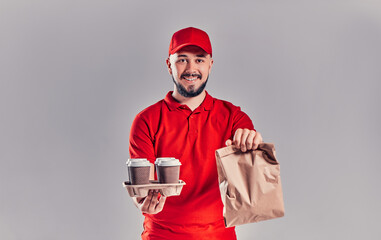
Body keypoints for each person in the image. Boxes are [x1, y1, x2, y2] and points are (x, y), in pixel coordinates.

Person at [128, 27, 263, 240]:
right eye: (182, 59)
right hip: (161, 236)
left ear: (211, 64)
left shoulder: (233, 117)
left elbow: (251, 163)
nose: (191, 68)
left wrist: (251, 141)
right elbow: (141, 183)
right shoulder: (146, 120)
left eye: (199, 60)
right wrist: (142, 202)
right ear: (169, 64)